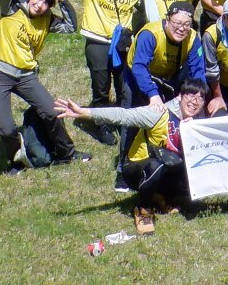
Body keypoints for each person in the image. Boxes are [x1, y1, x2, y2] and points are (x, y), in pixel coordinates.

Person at [23, 0, 140, 144]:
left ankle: (125, 125)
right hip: (97, 43)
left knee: (125, 88)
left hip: (123, 44)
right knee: (101, 89)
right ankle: (101, 124)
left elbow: (146, 6)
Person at [52, 79, 212, 234]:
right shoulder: (159, 112)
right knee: (157, 165)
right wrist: (84, 112)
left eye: (200, 98)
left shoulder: (197, 123)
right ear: (180, 96)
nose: (195, 101)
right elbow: (124, 115)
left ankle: (161, 197)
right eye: (191, 95)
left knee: (195, 176)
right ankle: (143, 209)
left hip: (167, 167)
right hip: (138, 168)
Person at [0, 0, 84, 171]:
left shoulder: (47, 20)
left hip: (25, 76)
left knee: (52, 112)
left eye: (46, 3)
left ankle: (67, 154)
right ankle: (16, 161)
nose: (39, 4)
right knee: (6, 129)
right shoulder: (12, 7)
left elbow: (71, 26)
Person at [126, 0, 203, 108]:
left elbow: (198, 70)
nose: (181, 29)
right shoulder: (150, 34)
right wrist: (153, 94)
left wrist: (198, 95)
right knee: (139, 110)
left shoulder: (193, 38)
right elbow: (139, 67)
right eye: (177, 23)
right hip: (136, 74)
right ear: (167, 20)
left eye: (187, 24)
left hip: (168, 75)